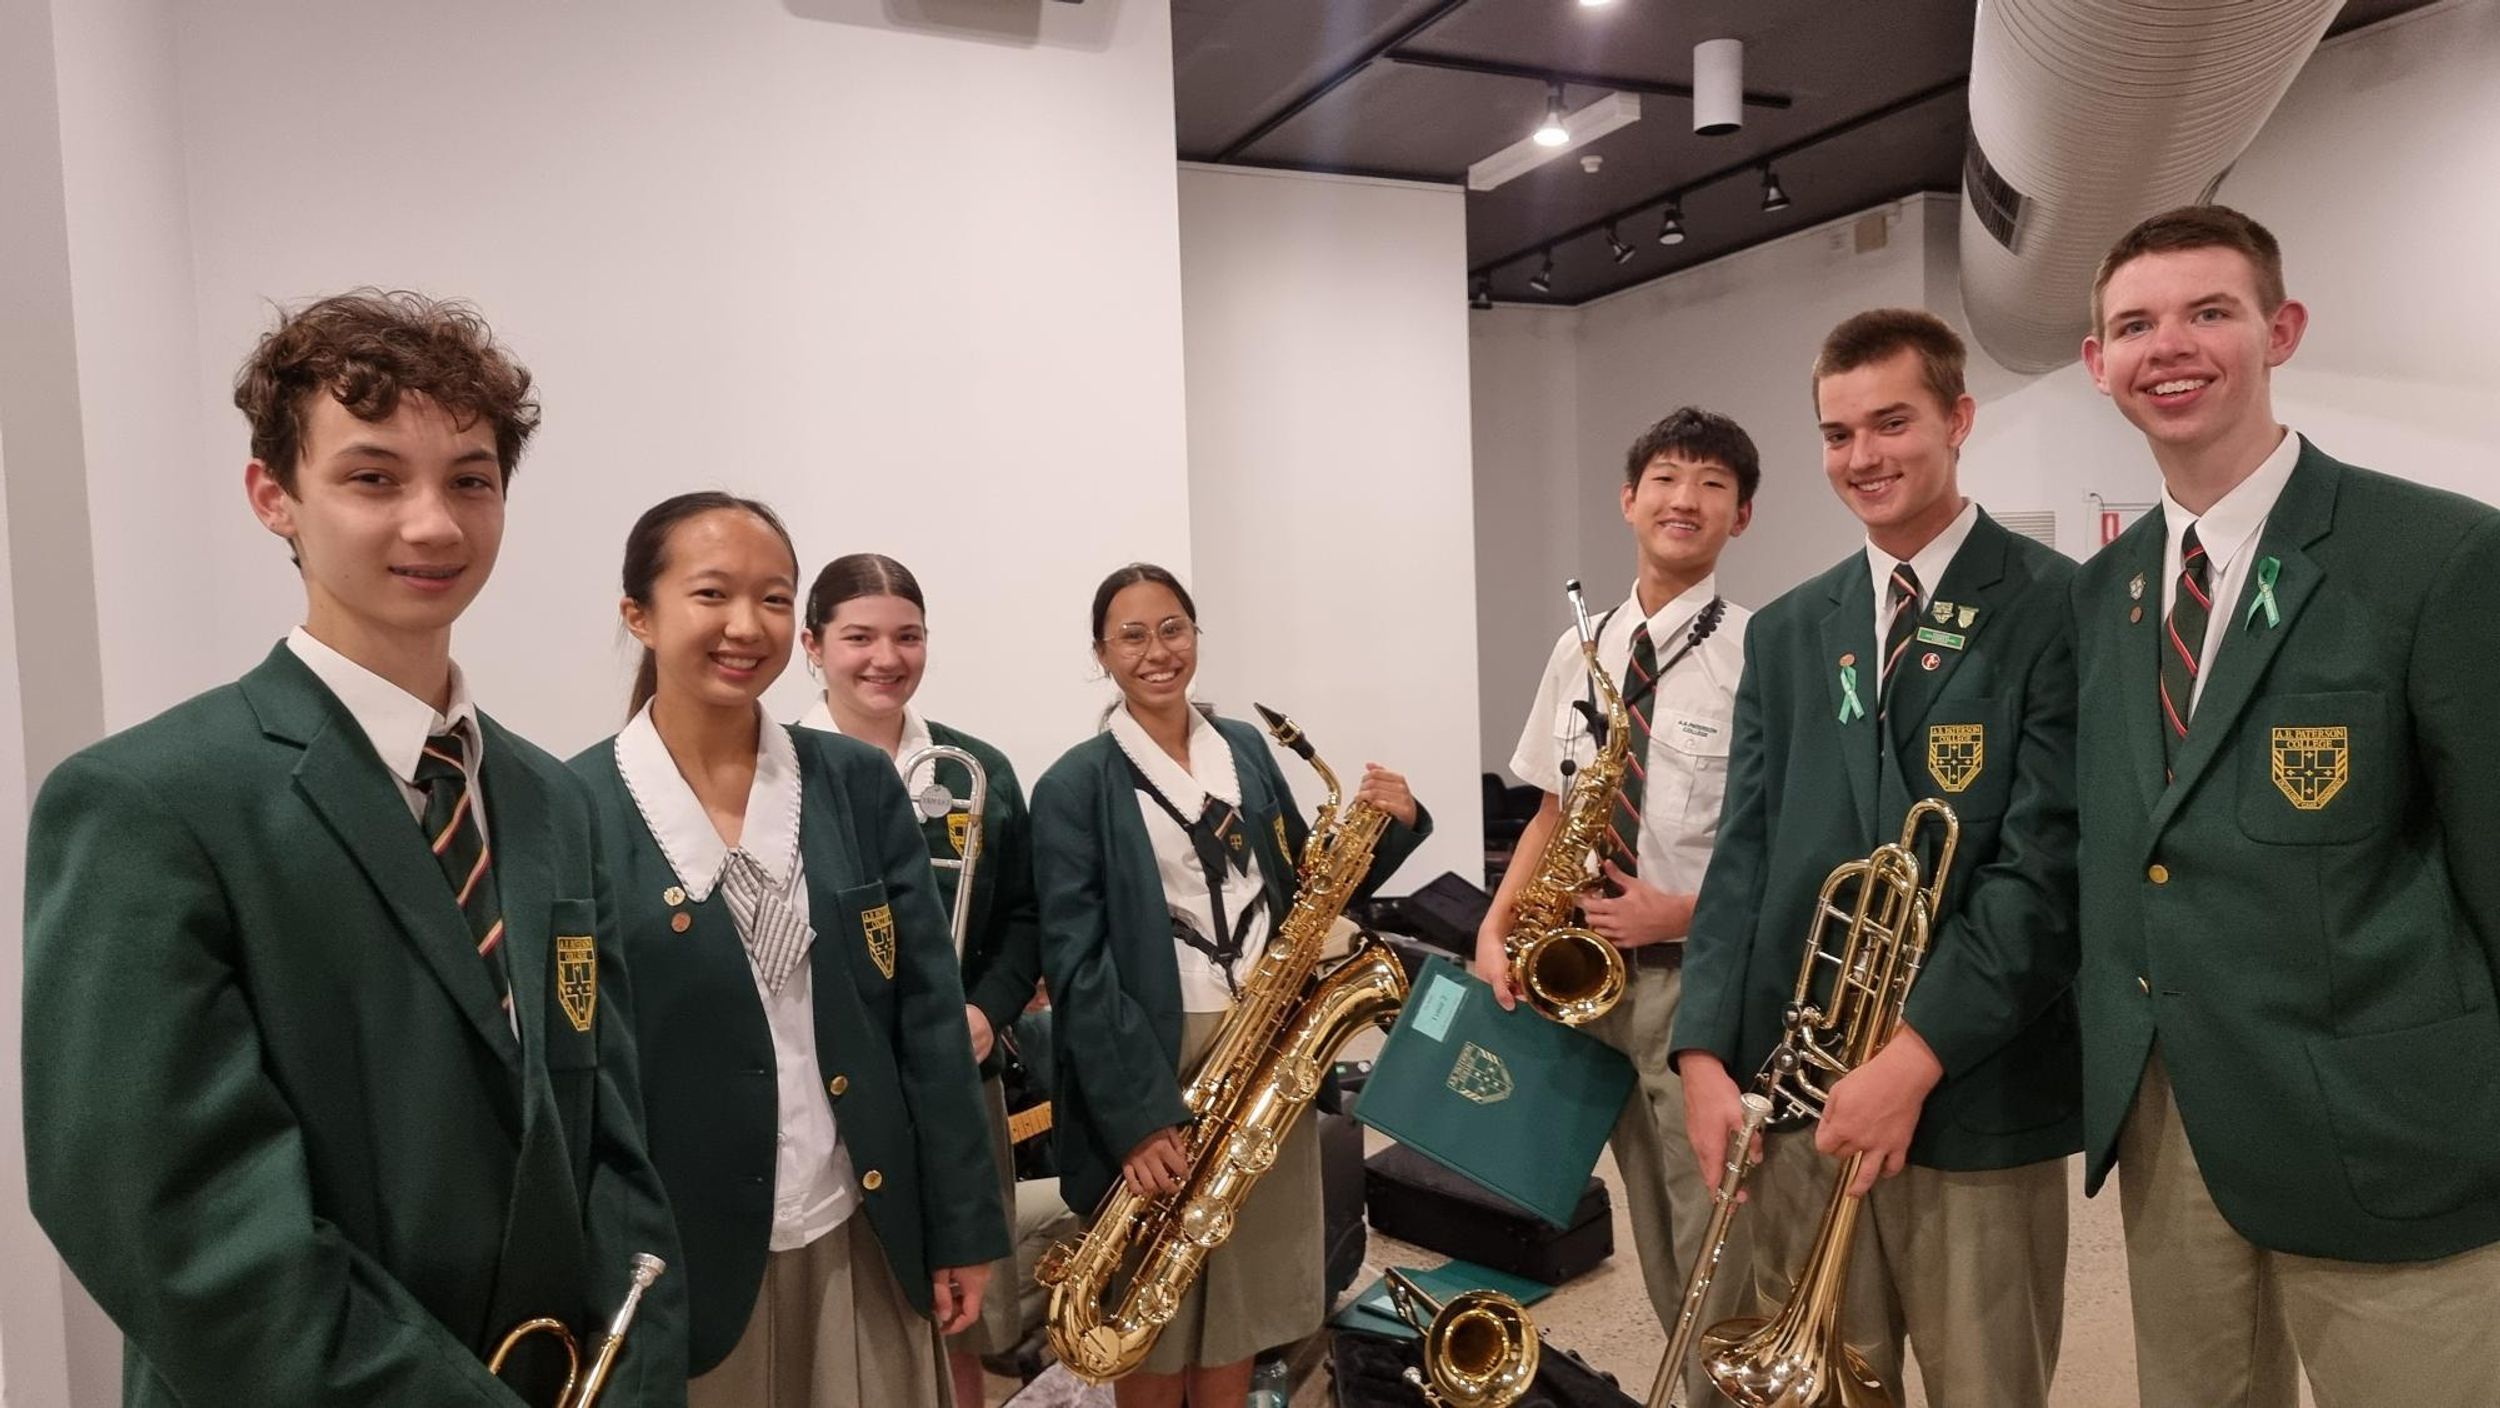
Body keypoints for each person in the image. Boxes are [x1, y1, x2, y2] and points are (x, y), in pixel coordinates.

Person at [21, 290, 687, 1406]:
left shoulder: (549, 802)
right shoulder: (150, 802)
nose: (434, 525)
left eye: (470, 479)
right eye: (374, 477)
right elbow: (171, 1217)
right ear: (273, 496)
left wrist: (636, 1374)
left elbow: (612, 1138)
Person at [2072, 204, 2500, 1408]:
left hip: (2387, 1124)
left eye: (2208, 311)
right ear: (2096, 362)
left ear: (2281, 329)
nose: (2168, 346)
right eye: (2134, 325)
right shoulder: (2100, 593)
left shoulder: (2437, 553)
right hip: (2170, 1119)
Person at [1674, 309, 2082, 1407]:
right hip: (1800, 1087)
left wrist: (1911, 1059)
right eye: (1837, 433)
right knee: (1824, 1387)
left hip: (1973, 1088)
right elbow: (1742, 856)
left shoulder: (2056, 602)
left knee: (1985, 1386)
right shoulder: (1788, 629)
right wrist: (1702, 1052)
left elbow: (2048, 871)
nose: (1863, 456)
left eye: (1892, 423)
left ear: (1958, 419)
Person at [569, 494, 1008, 1407]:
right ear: (638, 614)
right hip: (681, 1256)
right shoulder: (575, 808)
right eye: (712, 594)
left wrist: (963, 1223)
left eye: (773, 598)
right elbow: (578, 1076)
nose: (746, 626)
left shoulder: (854, 782)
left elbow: (926, 1013)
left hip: (859, 1225)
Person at [1029, 563, 1431, 1408]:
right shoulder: (1073, 784)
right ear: (1101, 654)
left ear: (1196, 635)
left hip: (1268, 1042)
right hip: (1154, 1047)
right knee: (1154, 1294)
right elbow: (1077, 964)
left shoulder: (1244, 747)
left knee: (1242, 1297)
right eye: (1132, 636)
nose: (1157, 651)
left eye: (1173, 628)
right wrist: (1138, 1119)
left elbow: (1306, 884)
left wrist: (1391, 827)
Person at [1471, 407, 1759, 1403]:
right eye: (1667, 478)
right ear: (1628, 499)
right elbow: (1552, 808)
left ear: (1742, 515)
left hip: (1696, 982)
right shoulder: (1580, 648)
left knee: (1717, 1223)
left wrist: (1679, 914)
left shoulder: (1759, 653)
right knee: (1651, 1222)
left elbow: (1783, 843)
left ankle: (1726, 1389)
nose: (1686, 499)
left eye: (1713, 484)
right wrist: (1495, 923)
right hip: (1588, 987)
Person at [795, 552, 1044, 1407]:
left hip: (955, 1075)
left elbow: (1024, 916)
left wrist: (987, 1009)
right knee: (843, 1298)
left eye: (907, 637)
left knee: (956, 1311)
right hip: (828, 1082)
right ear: (812, 646)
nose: (886, 658)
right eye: (858, 637)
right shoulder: (776, 769)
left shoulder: (977, 770)